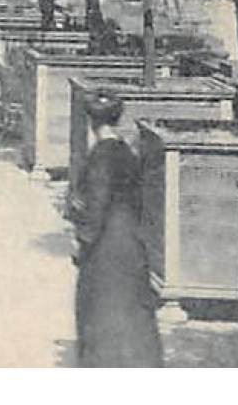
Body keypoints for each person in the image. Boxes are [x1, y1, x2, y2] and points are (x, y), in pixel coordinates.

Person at [68, 91, 164, 367]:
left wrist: (82, 240)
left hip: (106, 246)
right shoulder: (127, 152)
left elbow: (96, 204)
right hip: (131, 243)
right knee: (132, 308)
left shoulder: (100, 156)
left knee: (100, 308)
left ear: (91, 123)